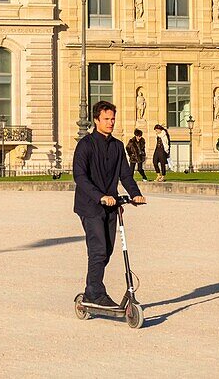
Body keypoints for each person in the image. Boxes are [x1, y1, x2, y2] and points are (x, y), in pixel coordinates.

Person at [73, 100, 145, 309]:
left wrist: (135, 195)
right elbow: (80, 176)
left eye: (113, 118)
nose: (111, 122)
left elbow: (125, 174)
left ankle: (91, 289)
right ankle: (95, 293)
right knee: (98, 250)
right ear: (96, 120)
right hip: (90, 205)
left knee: (108, 250)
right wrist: (100, 196)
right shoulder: (85, 145)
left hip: (111, 206)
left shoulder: (117, 146)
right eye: (106, 119)